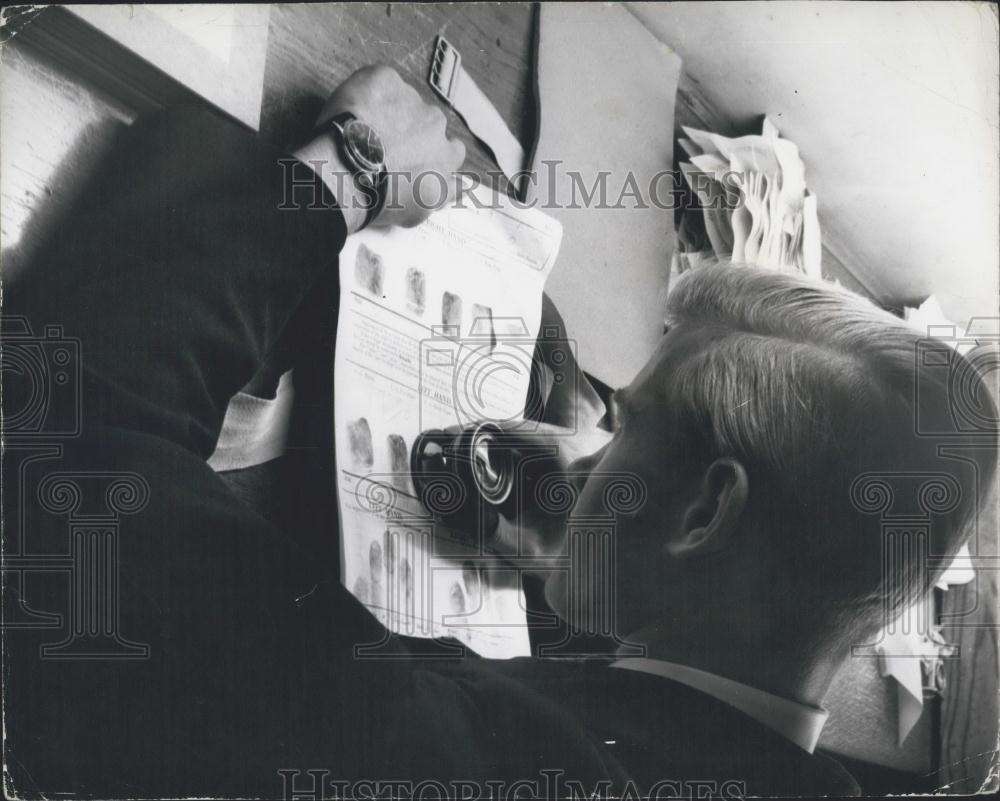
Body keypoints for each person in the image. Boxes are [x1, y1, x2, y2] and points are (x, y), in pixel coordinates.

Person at [4, 65, 995, 799]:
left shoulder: (461, 758)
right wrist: (616, 574)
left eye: (623, 431)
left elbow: (59, 464)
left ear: (705, 513)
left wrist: (343, 173)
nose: (580, 456)